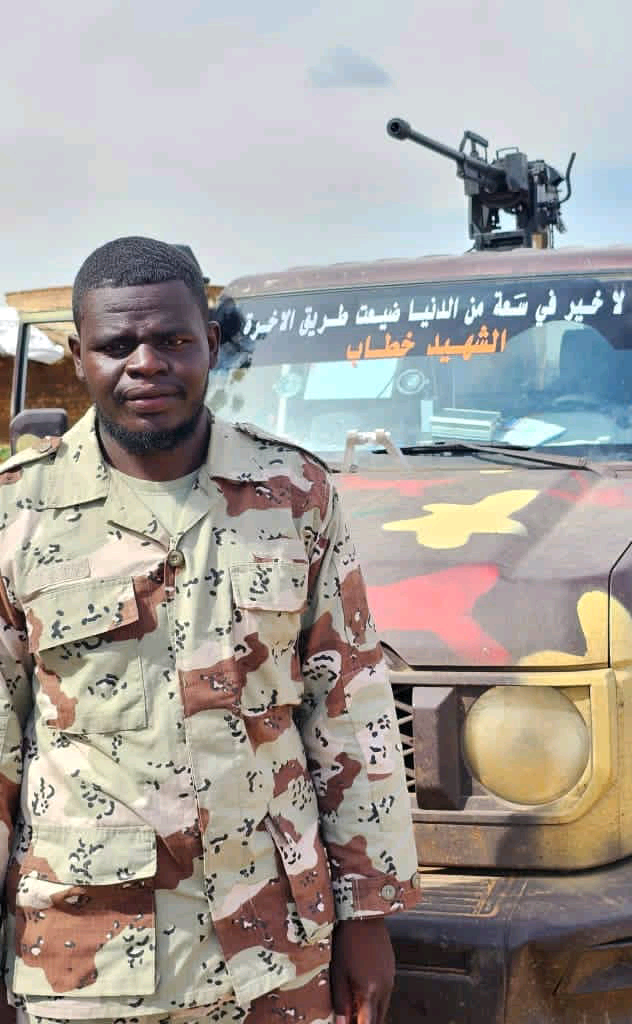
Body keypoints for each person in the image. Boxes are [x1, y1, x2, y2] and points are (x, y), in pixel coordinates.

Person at [0, 237, 420, 1024]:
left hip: (276, 949)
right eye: (117, 345)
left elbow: (349, 712)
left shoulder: (295, 493)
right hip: (85, 958)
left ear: (213, 345)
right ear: (80, 356)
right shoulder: (17, 513)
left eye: (173, 339)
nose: (147, 364)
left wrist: (369, 915)